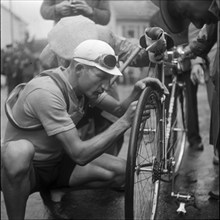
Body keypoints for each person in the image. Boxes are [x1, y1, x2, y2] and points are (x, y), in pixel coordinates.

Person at [1, 39, 168, 220]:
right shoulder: (46, 91)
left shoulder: (84, 89)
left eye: (108, 78)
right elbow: (79, 154)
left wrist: (136, 92)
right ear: (79, 69)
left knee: (123, 172)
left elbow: (119, 110)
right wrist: (125, 122)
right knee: (19, 152)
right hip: (29, 168)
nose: (106, 85)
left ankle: (55, 187)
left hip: (57, 162)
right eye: (101, 77)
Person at [153, 0, 219, 199]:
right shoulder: (214, 13)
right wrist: (183, 53)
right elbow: (205, 37)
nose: (196, 24)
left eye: (189, 15)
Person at [40, 0, 110, 25]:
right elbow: (43, 10)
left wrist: (91, 11)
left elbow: (106, 17)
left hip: (89, 39)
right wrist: (56, 9)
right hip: (61, 37)